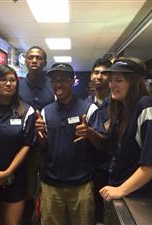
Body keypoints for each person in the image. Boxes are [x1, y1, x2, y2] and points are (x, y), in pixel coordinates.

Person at [98, 57, 152, 224]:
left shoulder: (147, 108)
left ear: (134, 83)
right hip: (123, 193)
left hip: (140, 196)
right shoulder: (121, 108)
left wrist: (121, 189)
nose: (112, 85)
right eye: (111, 80)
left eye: (119, 80)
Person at [35, 63, 104, 225]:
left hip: (81, 185)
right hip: (51, 184)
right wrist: (38, 133)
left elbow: (103, 145)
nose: (58, 84)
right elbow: (44, 146)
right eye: (54, 80)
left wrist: (90, 133)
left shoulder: (90, 109)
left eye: (63, 80)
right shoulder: (46, 111)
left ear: (73, 81)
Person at [0, 65, 35, 225]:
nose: (8, 83)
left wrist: (7, 173)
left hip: (16, 178)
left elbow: (27, 145)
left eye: (12, 80)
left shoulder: (26, 111)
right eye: (3, 79)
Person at [18, 46, 55, 224]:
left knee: (47, 193)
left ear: (45, 63)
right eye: (31, 57)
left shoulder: (53, 85)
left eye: (39, 58)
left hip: (50, 148)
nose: (34, 60)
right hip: (23, 150)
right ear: (25, 61)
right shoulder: (17, 86)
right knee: (26, 193)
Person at [87, 57, 112, 224]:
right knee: (92, 209)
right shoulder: (86, 104)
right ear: (91, 75)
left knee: (107, 210)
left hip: (109, 167)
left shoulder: (118, 103)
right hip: (89, 166)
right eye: (96, 72)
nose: (99, 76)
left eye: (104, 73)